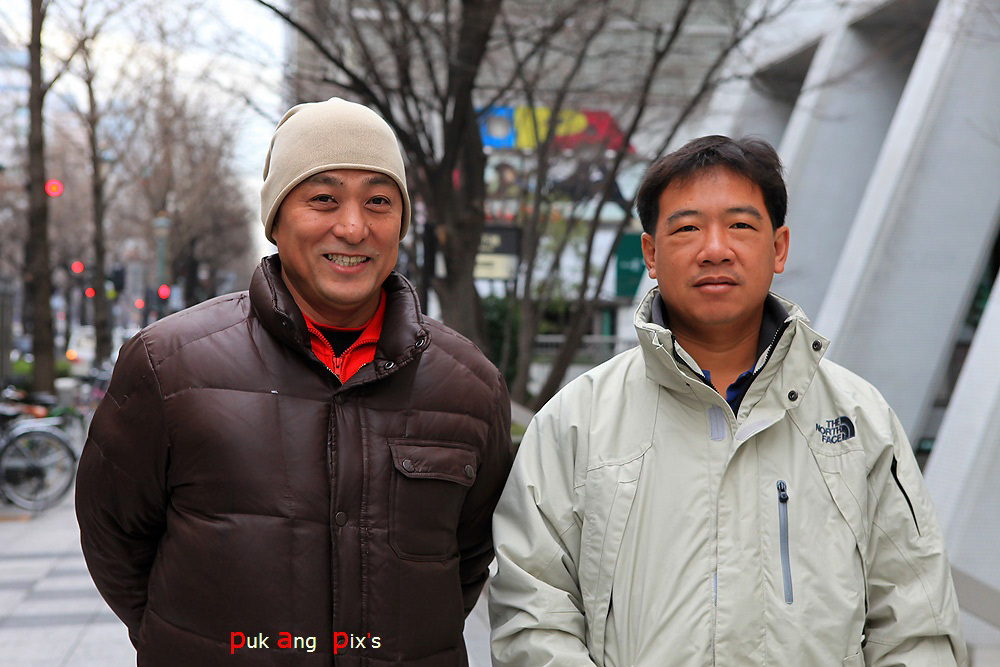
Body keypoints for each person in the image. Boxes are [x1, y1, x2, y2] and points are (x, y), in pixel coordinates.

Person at [489, 135, 967, 666]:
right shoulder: (575, 421)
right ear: (650, 253)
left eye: (740, 225)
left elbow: (916, 620)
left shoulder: (858, 418)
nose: (715, 248)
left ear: (779, 247)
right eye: (687, 227)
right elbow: (533, 613)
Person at [76, 97, 513, 666]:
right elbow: (115, 537)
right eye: (323, 199)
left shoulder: (468, 385)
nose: (353, 226)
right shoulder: (168, 365)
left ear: (401, 223)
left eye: (379, 201)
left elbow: (470, 554)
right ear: (276, 220)